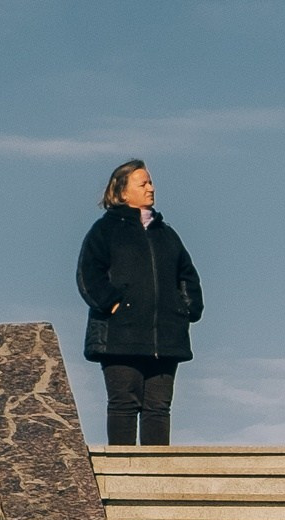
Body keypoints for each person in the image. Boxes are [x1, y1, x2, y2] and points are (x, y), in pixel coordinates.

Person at [77, 160, 202, 447]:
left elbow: (187, 275)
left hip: (166, 337)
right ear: (121, 192)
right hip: (119, 335)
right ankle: (123, 476)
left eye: (150, 182)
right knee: (123, 403)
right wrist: (111, 304)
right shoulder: (104, 231)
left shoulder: (166, 234)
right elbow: (88, 273)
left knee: (158, 407)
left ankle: (156, 483)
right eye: (143, 183)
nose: (151, 188)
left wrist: (187, 309)